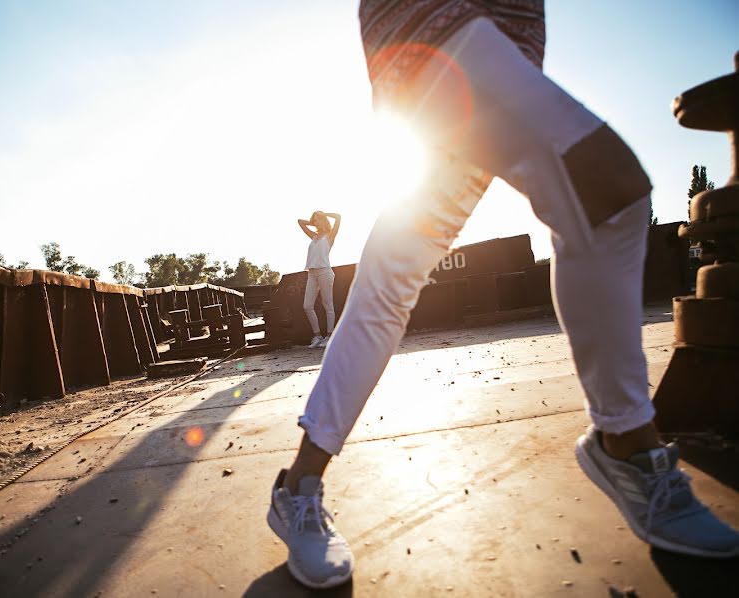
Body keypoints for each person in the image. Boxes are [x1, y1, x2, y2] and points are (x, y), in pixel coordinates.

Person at [267, 0, 739, 589]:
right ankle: (627, 441)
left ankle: (298, 486)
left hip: (499, 43)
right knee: (609, 191)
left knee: (394, 276)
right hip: (440, 28)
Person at [297, 211, 341, 348]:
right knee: (307, 306)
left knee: (328, 305)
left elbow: (338, 217)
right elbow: (300, 221)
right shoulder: (314, 236)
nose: (315, 223)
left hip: (324, 272)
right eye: (314, 220)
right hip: (312, 273)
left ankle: (329, 337)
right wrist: (313, 220)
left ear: (323, 220)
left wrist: (324, 214)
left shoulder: (330, 235)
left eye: (317, 220)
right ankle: (317, 336)